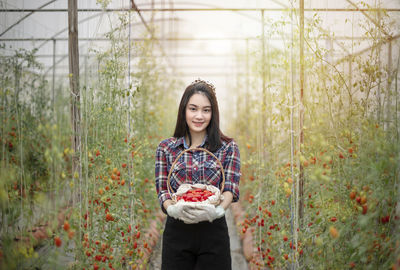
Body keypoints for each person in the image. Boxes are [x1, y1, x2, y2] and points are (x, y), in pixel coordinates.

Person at [154, 79, 241, 270]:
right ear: (184, 110)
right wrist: (172, 209)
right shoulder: (166, 148)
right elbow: (162, 189)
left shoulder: (228, 148)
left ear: (213, 113)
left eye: (206, 110)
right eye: (193, 109)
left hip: (213, 231)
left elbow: (230, 188)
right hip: (177, 231)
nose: (199, 116)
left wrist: (218, 210)